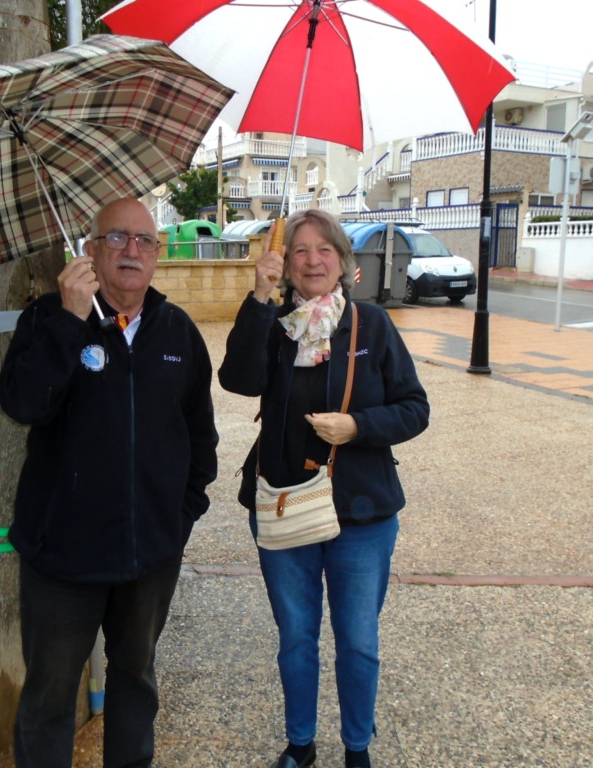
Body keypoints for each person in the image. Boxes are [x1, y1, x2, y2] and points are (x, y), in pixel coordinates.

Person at [0, 197, 219, 768]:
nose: (131, 250)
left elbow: (200, 437)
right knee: (49, 695)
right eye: (116, 237)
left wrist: (179, 517)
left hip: (149, 558)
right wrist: (70, 322)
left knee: (136, 681)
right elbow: (22, 404)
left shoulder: (177, 331)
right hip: (61, 559)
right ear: (89, 250)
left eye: (144, 240)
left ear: (158, 255)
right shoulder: (48, 319)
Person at [218, 209, 430, 768]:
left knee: (358, 640)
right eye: (300, 251)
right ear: (286, 264)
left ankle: (357, 747)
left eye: (324, 250)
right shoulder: (275, 322)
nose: (312, 260)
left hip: (362, 511)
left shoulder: (371, 325)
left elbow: (415, 408)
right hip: (285, 503)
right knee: (296, 637)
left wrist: (359, 427)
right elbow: (238, 379)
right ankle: (301, 743)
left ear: (342, 262)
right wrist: (258, 298)